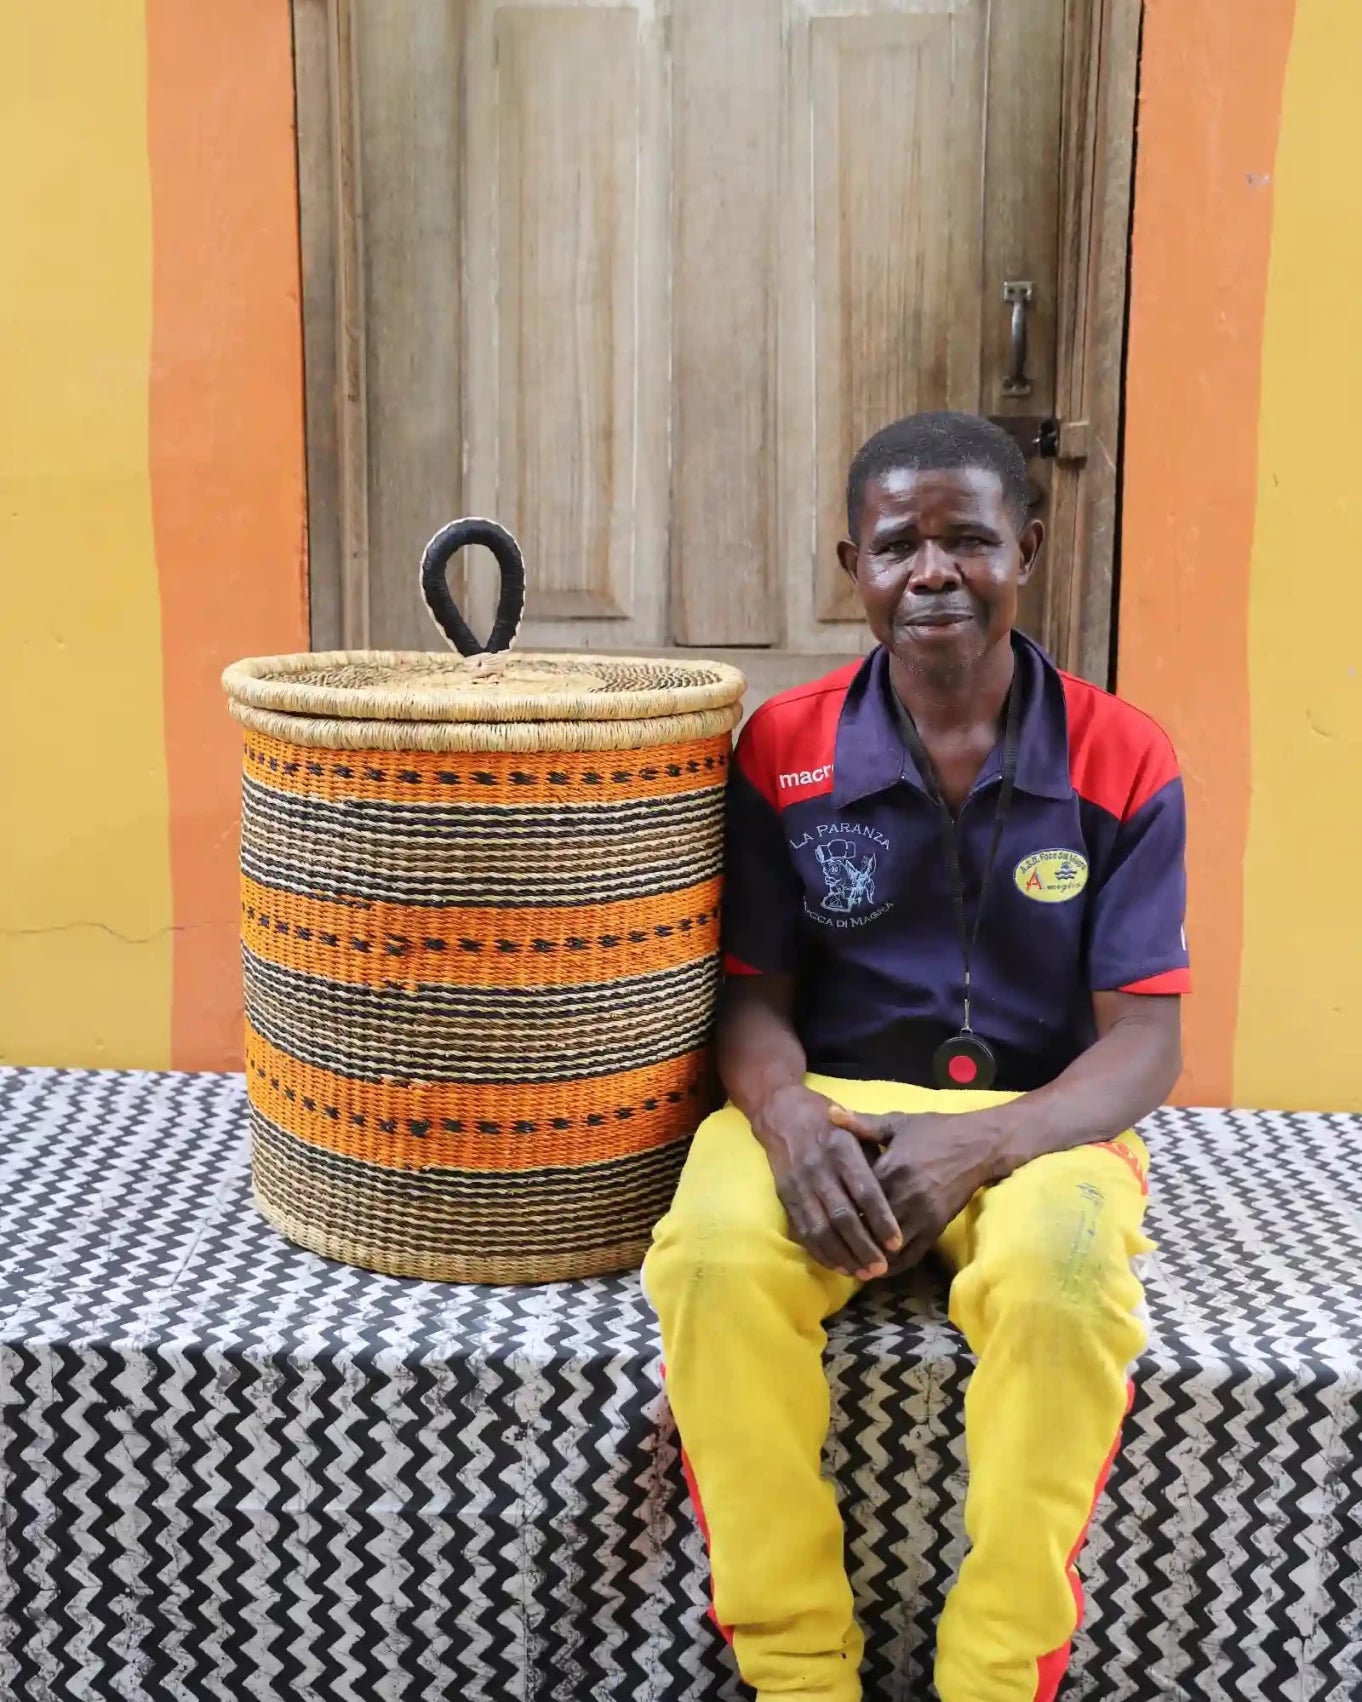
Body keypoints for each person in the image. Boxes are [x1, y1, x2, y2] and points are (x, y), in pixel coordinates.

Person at [644, 412, 1189, 1702]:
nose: (933, 571)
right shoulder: (784, 749)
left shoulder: (1124, 755)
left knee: (1063, 1290)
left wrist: (992, 1139)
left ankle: (996, 1676)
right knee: (715, 1263)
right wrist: (789, 1123)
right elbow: (750, 998)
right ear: (855, 566)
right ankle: (797, 1673)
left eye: (969, 541)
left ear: (1029, 551)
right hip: (827, 1100)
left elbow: (1148, 1040)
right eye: (900, 545)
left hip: (1043, 1119)